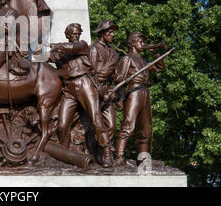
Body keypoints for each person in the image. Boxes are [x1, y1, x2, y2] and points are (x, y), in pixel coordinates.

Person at [49, 23, 113, 168]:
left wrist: (53, 45)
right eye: (73, 34)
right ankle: (65, 156)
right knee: (62, 124)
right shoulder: (60, 53)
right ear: (67, 35)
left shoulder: (82, 46)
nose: (76, 36)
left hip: (84, 84)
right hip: (69, 89)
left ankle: (107, 152)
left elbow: (73, 47)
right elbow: (45, 57)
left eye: (78, 33)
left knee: (96, 120)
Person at [113, 31, 166, 165]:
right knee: (128, 126)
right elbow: (118, 77)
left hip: (145, 92)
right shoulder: (127, 58)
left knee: (145, 129)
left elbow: (160, 67)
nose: (143, 44)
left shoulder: (144, 61)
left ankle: (143, 159)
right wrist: (120, 98)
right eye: (140, 41)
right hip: (134, 92)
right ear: (132, 43)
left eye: (143, 42)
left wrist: (155, 53)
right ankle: (119, 157)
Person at [89, 20, 120, 148]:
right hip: (94, 91)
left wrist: (119, 77)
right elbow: (90, 73)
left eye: (113, 32)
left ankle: (102, 150)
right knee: (93, 125)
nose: (113, 35)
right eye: (110, 32)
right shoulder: (93, 48)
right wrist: (101, 91)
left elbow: (114, 72)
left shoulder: (112, 52)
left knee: (112, 126)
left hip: (107, 92)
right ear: (102, 33)